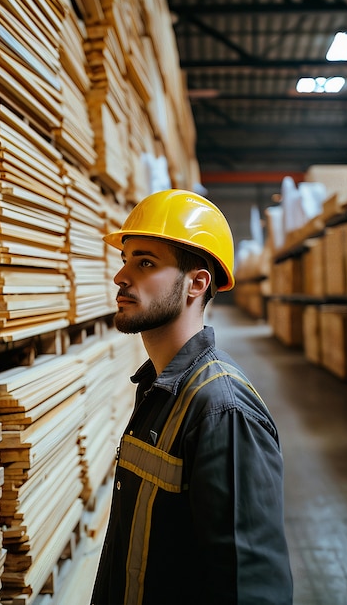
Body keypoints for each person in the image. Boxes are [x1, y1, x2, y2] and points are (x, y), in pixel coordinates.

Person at [91, 189, 293, 605]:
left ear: (196, 284)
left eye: (145, 263)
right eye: (125, 260)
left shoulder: (223, 410)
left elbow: (249, 588)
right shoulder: (157, 388)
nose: (121, 277)